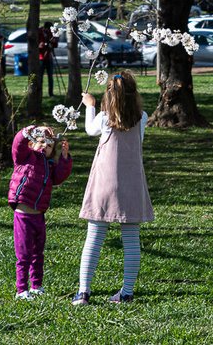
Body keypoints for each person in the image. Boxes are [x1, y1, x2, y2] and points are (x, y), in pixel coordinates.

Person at [75, 72, 153, 305]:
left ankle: (83, 292)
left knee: (94, 238)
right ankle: (126, 293)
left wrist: (90, 105)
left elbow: (90, 129)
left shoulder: (104, 118)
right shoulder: (143, 117)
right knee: (131, 239)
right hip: (132, 183)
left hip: (104, 185)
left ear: (108, 95)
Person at [8, 124, 72, 301]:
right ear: (32, 144)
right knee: (24, 254)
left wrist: (65, 158)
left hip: (39, 216)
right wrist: (31, 129)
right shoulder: (24, 158)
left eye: (49, 145)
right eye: (41, 142)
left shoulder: (50, 168)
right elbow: (17, 144)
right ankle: (21, 289)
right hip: (23, 215)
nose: (44, 146)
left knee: (38, 253)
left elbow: (60, 176)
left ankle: (36, 286)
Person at [36, 24, 58, 97]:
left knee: (50, 77)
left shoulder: (50, 33)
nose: (49, 31)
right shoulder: (39, 32)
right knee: (40, 77)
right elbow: (36, 45)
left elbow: (55, 44)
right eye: (48, 29)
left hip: (49, 57)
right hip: (41, 58)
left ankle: (51, 93)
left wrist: (53, 42)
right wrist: (41, 45)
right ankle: (39, 93)